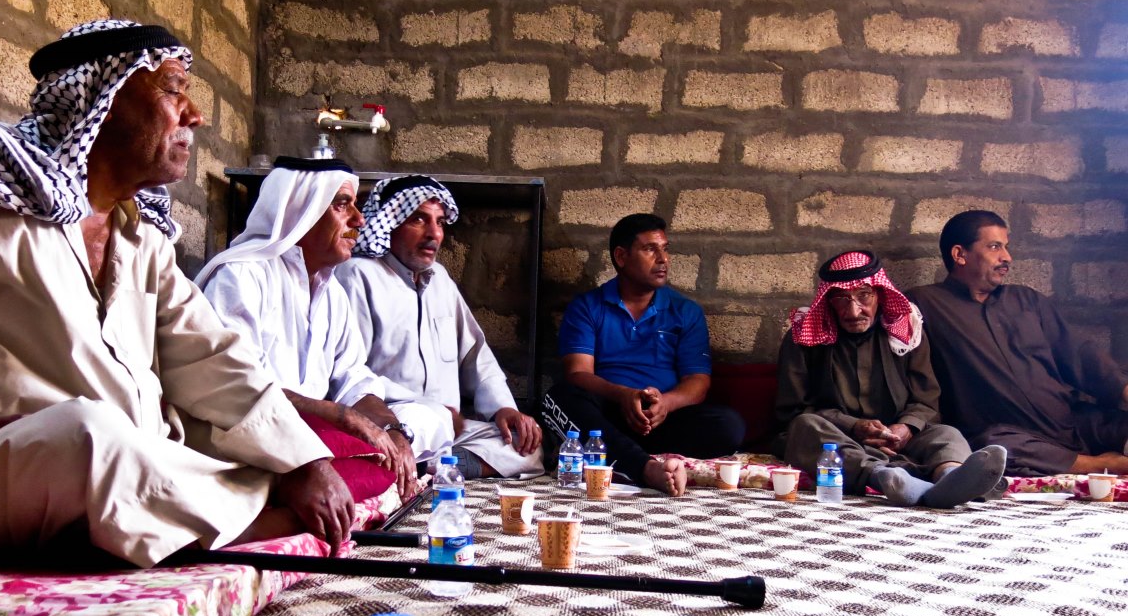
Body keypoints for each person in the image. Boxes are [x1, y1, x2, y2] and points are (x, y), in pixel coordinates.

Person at [0, 20, 359, 568]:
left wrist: (305, 463)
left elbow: (210, 355)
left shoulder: (140, 237)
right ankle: (231, 524)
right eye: (173, 90)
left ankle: (156, 528)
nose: (194, 116)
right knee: (88, 436)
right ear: (104, 100)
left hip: (118, 474)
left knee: (261, 451)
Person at [195, 157, 420, 498]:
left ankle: (292, 497)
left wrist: (394, 431)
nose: (358, 220)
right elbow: (235, 388)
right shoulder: (241, 276)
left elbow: (354, 380)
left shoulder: (334, 296)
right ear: (302, 209)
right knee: (350, 458)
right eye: (342, 205)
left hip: (305, 437)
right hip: (246, 437)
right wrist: (339, 415)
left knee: (384, 459)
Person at [335, 175, 544, 479]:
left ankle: (429, 467)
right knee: (410, 430)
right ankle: (422, 464)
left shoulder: (440, 279)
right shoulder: (358, 276)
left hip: (448, 428)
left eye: (441, 222)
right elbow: (351, 372)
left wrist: (503, 409)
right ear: (389, 222)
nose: (434, 234)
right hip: (395, 420)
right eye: (419, 220)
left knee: (529, 445)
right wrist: (428, 409)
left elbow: (476, 355)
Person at [776, 250, 1006, 507]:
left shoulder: (907, 329)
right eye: (841, 299)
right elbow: (793, 410)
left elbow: (927, 400)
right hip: (839, 440)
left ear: (880, 294)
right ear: (828, 301)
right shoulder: (804, 335)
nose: (853, 312)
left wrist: (906, 428)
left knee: (947, 434)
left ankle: (952, 478)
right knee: (804, 427)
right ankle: (885, 477)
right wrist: (854, 426)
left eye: (864, 296)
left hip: (901, 439)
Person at [907, 210, 1128, 476]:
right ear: (959, 254)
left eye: (1006, 247)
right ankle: (1100, 465)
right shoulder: (923, 305)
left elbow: (1079, 354)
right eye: (994, 247)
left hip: (1071, 422)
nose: (1007, 257)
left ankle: (1088, 458)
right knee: (990, 449)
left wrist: (1123, 389)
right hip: (1013, 437)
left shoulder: (1026, 300)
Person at [540, 213, 744, 496]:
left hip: (661, 419)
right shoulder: (587, 307)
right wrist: (624, 395)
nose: (663, 259)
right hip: (606, 415)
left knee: (728, 426)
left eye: (665, 248)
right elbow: (578, 373)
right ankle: (644, 468)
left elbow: (698, 380)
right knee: (557, 399)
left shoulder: (685, 311)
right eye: (650, 249)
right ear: (621, 257)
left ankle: (621, 453)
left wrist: (665, 403)